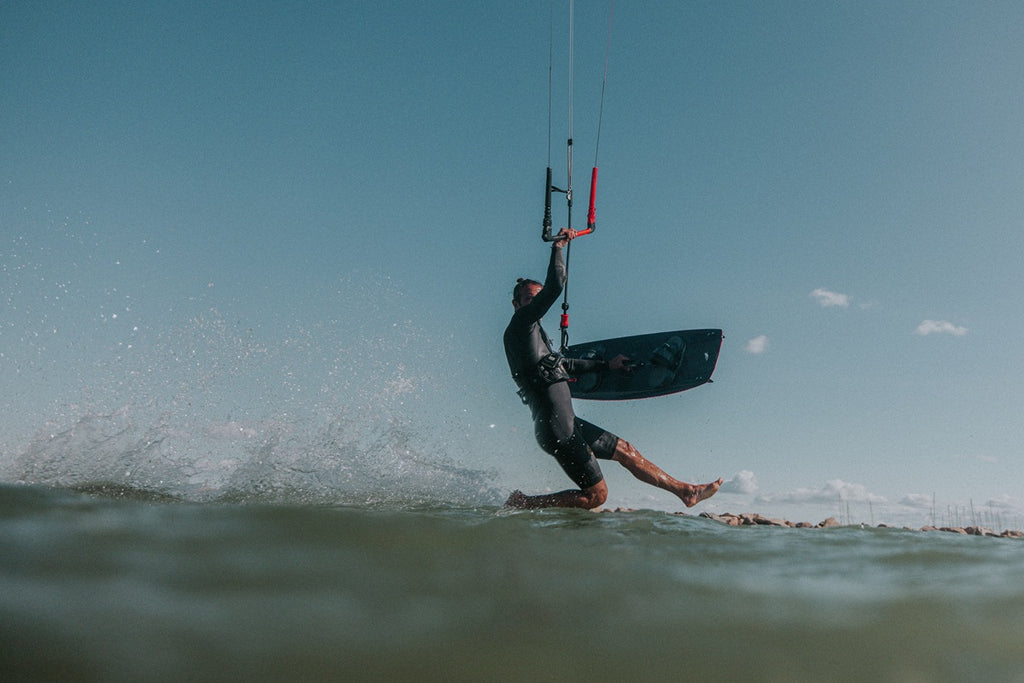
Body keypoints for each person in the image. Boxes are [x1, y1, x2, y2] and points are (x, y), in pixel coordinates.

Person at [503, 228, 722, 510]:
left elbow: (563, 365)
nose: (535, 303)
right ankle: (522, 502)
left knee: (626, 451)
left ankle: (685, 491)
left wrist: (607, 365)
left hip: (567, 423)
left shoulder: (534, 334)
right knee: (596, 496)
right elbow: (556, 286)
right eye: (530, 298)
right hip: (557, 428)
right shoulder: (520, 327)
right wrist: (559, 246)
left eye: (537, 298)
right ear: (517, 304)